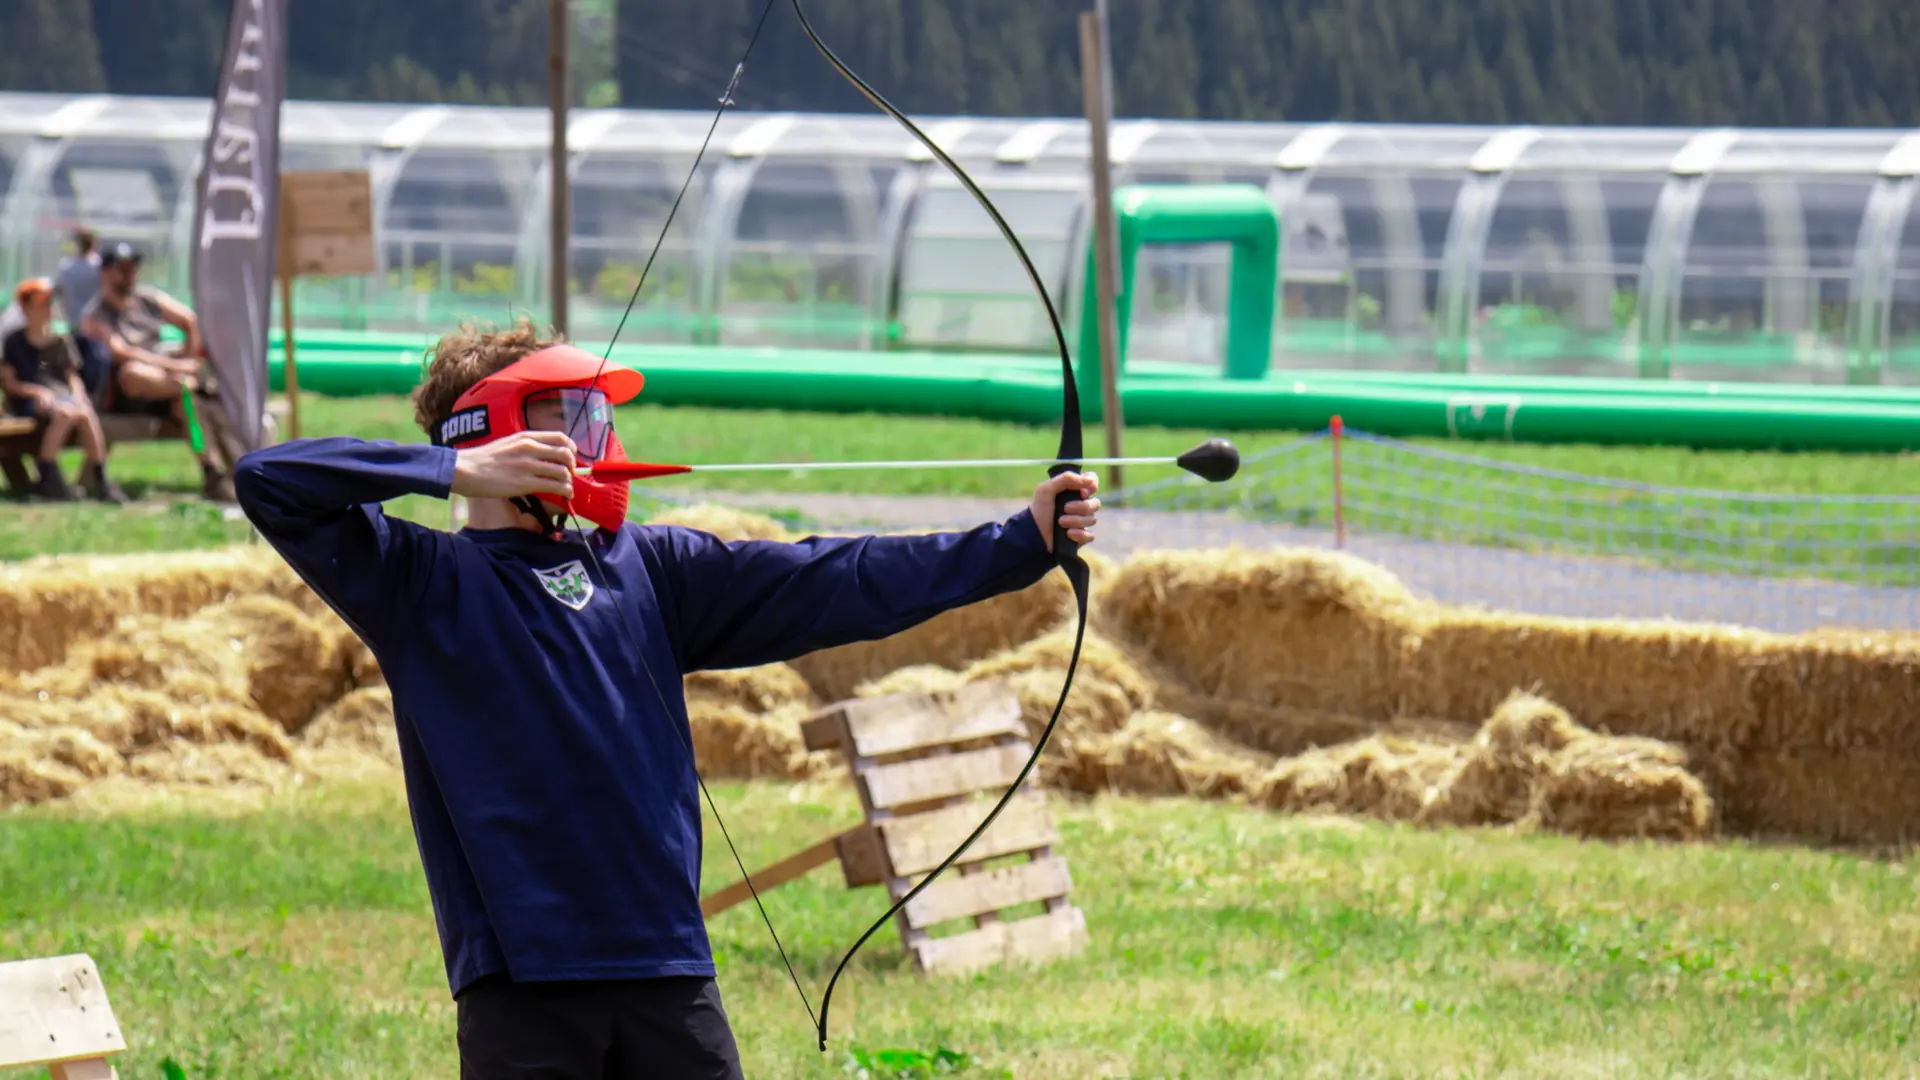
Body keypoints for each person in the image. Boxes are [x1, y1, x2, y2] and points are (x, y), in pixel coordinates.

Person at [231, 317, 1102, 1080]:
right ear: (495, 432)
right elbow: (269, 479)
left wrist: (1019, 541)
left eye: (597, 416)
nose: (596, 440)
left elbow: (839, 578)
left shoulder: (652, 567)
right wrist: (453, 471)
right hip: (522, 986)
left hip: (667, 970)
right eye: (568, 416)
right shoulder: (420, 582)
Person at [79, 242, 235, 500]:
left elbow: (189, 321)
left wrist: (188, 356)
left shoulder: (148, 299)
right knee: (133, 372)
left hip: (166, 385)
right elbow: (122, 352)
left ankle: (210, 471)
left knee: (189, 408)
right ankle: (195, 385)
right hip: (127, 394)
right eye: (121, 269)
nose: (129, 275)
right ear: (105, 273)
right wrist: (179, 368)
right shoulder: (96, 315)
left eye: (132, 269)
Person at [2, 278, 126, 502]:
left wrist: (79, 396)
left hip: (61, 397)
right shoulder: (14, 341)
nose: (48, 308)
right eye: (41, 303)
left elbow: (72, 377)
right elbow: (10, 384)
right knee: (65, 413)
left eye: (50, 302)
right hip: (30, 401)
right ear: (26, 308)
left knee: (86, 414)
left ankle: (102, 479)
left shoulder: (60, 340)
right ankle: (46, 476)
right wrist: (37, 392)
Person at [55, 226, 102, 327]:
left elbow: (60, 292)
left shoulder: (66, 266)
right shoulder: (99, 266)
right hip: (95, 319)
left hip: (73, 318)